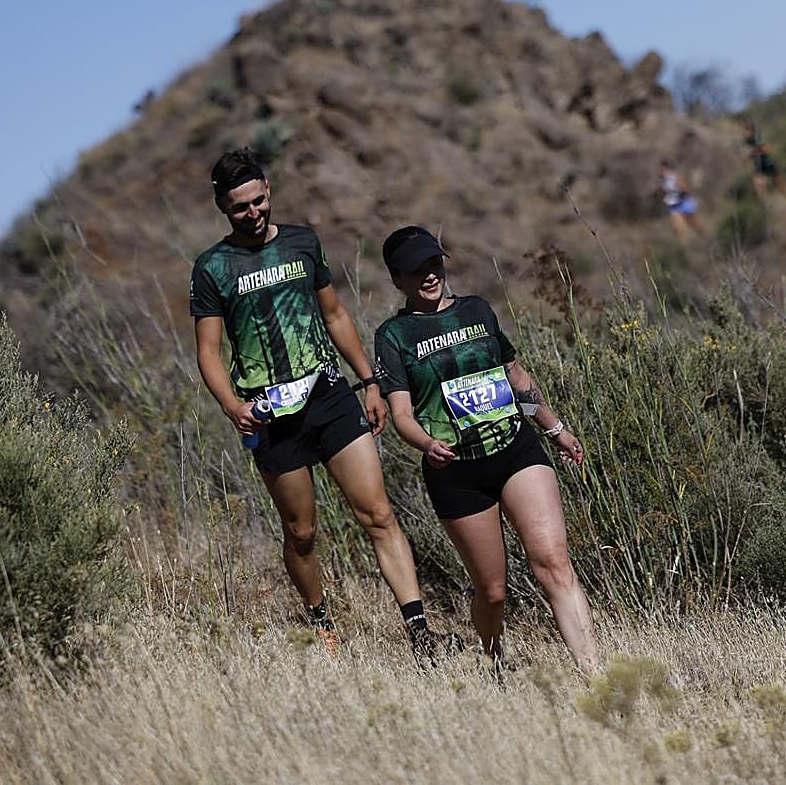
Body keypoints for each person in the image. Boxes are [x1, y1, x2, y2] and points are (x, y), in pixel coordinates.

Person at [190, 148, 457, 660]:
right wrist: (231, 406)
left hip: (327, 395)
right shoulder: (213, 268)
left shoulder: (301, 242)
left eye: (260, 200)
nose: (254, 213)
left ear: (269, 190)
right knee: (302, 532)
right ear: (223, 207)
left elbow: (334, 315)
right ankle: (322, 622)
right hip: (269, 414)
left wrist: (371, 380)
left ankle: (420, 634)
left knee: (378, 512)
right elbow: (208, 352)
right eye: (241, 207)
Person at [373, 226, 602, 675]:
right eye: (415, 270)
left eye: (434, 263)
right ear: (397, 278)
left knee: (554, 564)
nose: (429, 275)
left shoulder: (478, 311)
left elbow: (516, 376)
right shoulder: (393, 336)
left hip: (516, 449)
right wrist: (426, 442)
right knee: (493, 591)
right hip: (457, 471)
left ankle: (596, 677)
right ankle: (494, 659)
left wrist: (555, 429)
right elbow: (400, 413)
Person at [659, 160, 699, 244]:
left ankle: (704, 237)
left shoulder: (674, 177)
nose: (660, 172)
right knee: (676, 228)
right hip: (673, 206)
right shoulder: (663, 181)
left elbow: (685, 188)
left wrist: (681, 195)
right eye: (660, 170)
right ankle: (685, 245)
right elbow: (665, 192)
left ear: (667, 169)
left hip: (683, 202)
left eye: (662, 170)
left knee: (693, 224)